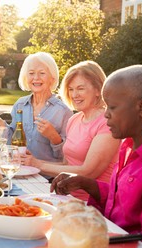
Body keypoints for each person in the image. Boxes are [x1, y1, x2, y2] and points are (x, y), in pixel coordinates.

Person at [51, 65, 142, 248]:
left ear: (141, 107)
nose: (105, 115)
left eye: (112, 107)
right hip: (115, 242)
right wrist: (86, 184)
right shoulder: (129, 141)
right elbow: (124, 201)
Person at [21, 61, 120, 200]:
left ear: (98, 90)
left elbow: (88, 172)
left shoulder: (107, 122)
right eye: (71, 89)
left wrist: (38, 164)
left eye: (80, 88)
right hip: (66, 196)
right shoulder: (74, 119)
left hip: (93, 202)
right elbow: (66, 166)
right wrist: (33, 161)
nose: (74, 95)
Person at [0, 52, 73, 163]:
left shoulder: (63, 111)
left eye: (42, 73)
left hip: (47, 176)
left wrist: (54, 137)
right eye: (31, 73)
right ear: (25, 77)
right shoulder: (20, 105)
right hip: (19, 169)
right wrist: (0, 123)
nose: (36, 78)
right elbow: (11, 143)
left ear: (52, 78)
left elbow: (68, 157)